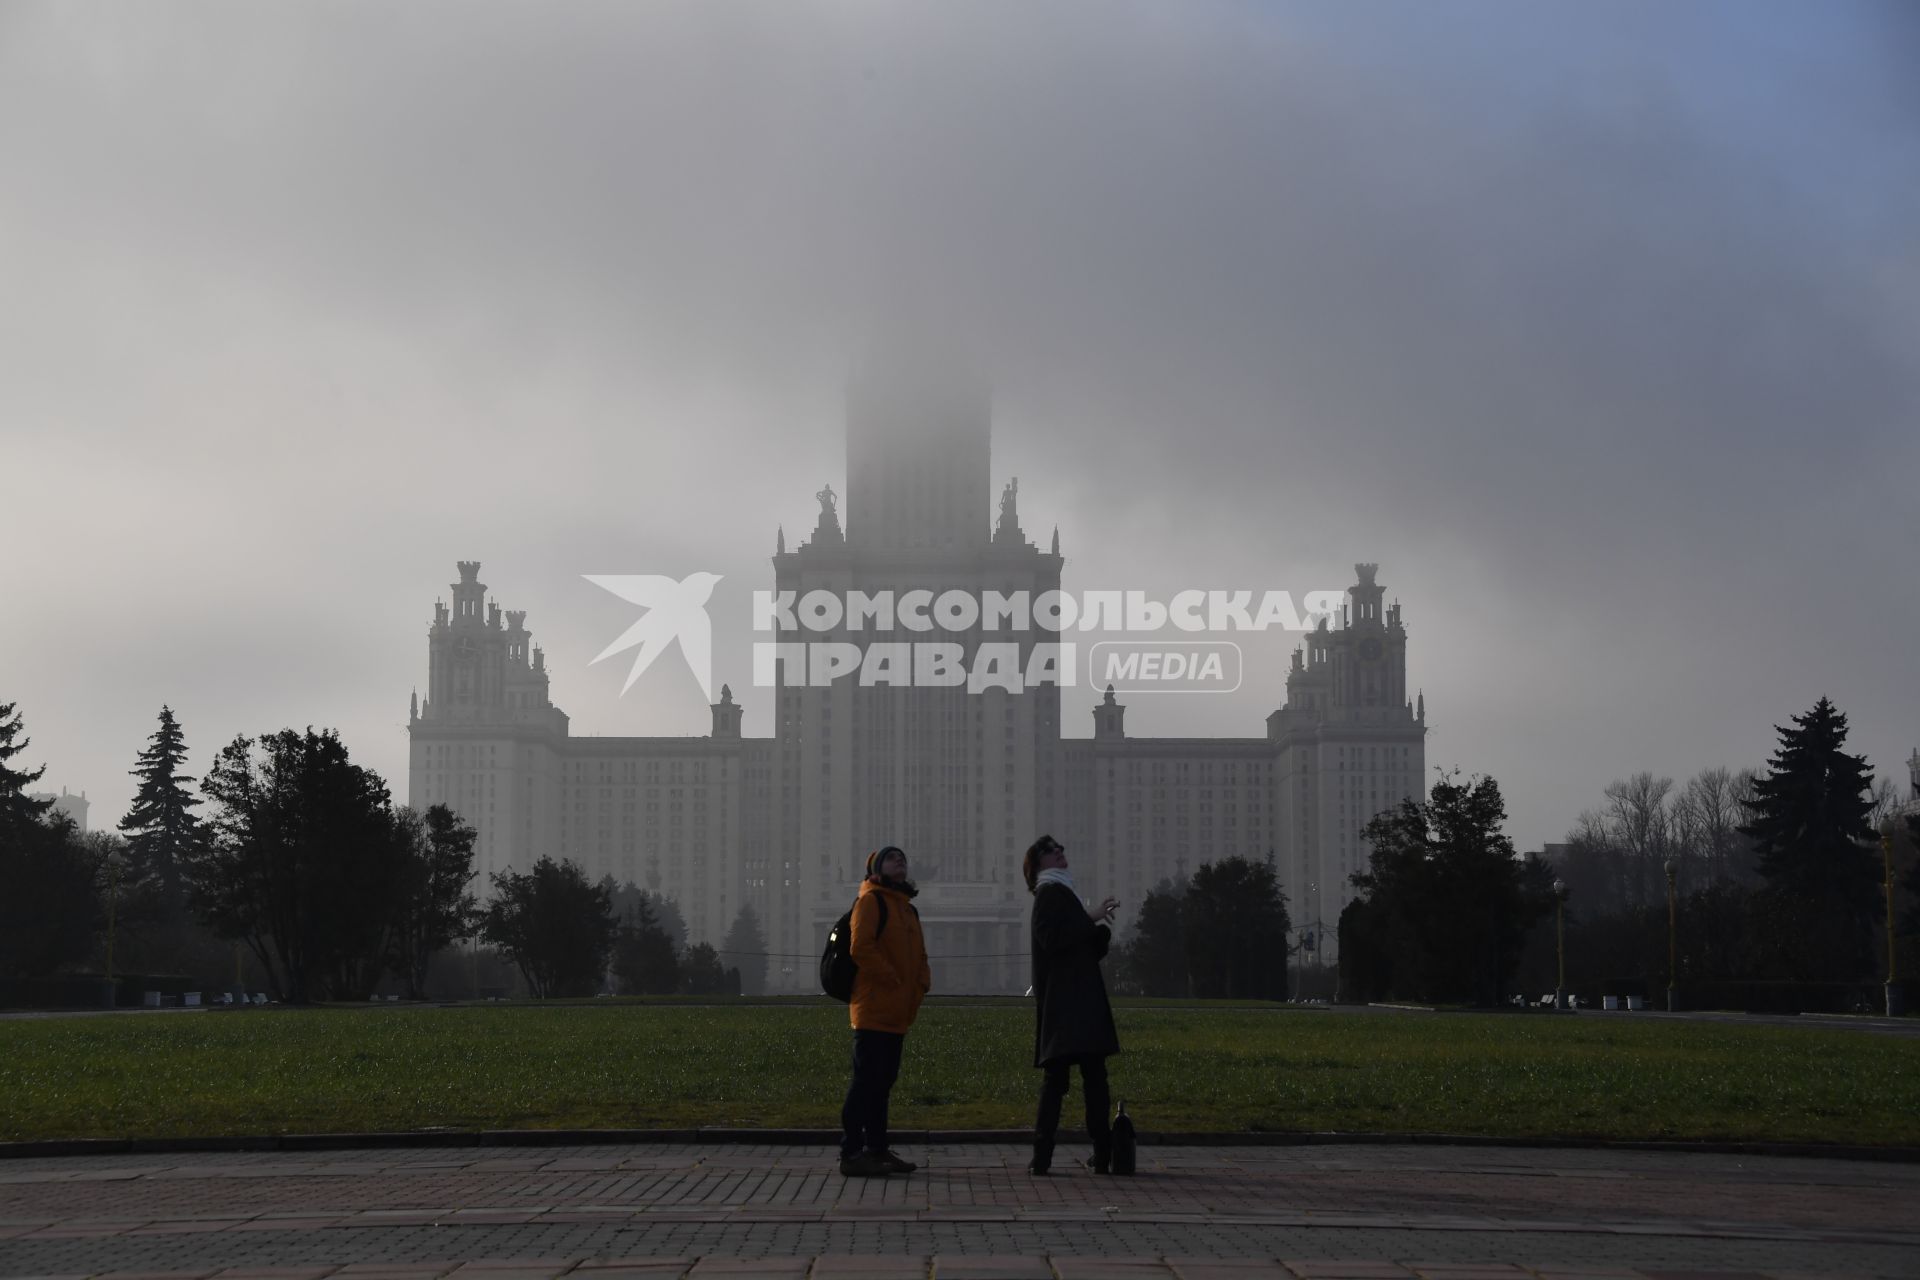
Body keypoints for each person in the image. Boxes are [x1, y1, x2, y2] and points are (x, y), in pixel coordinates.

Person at [1022, 833, 1121, 1175]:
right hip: (1067, 1004)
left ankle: (1083, 1154)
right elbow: (1053, 940)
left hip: (1077, 1002)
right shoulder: (1049, 893)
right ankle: (1050, 1155)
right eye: (1051, 851)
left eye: (1061, 848)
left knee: (1080, 1080)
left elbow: (1077, 946)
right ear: (1039, 865)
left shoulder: (1063, 893)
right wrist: (1090, 918)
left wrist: (1098, 937)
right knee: (1069, 1081)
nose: (1061, 852)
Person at [838, 845, 931, 1177]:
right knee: (865, 1083)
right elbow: (860, 946)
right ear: (876, 869)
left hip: (897, 1013)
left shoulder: (907, 909)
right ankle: (851, 1152)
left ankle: (877, 1150)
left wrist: (921, 984)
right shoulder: (871, 901)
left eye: (903, 858)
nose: (900, 861)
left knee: (882, 1083)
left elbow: (919, 955)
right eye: (892, 858)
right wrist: (892, 979)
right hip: (873, 1009)